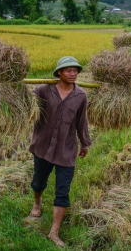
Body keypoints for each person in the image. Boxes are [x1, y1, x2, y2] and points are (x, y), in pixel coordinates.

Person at [28, 56, 92, 247]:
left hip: (66, 149)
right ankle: (37, 203)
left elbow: (82, 121)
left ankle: (54, 232)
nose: (73, 74)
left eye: (75, 70)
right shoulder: (43, 90)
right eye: (68, 70)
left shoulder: (80, 95)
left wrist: (85, 143)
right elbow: (26, 104)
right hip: (42, 146)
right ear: (59, 73)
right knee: (38, 182)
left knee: (62, 192)